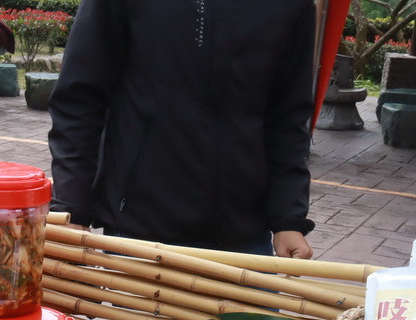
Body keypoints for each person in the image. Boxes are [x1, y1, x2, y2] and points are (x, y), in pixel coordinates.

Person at [47, 0, 317, 258]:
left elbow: (289, 117)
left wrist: (288, 218)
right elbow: (80, 98)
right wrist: (73, 208)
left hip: (244, 238)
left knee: (252, 309)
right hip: (139, 232)